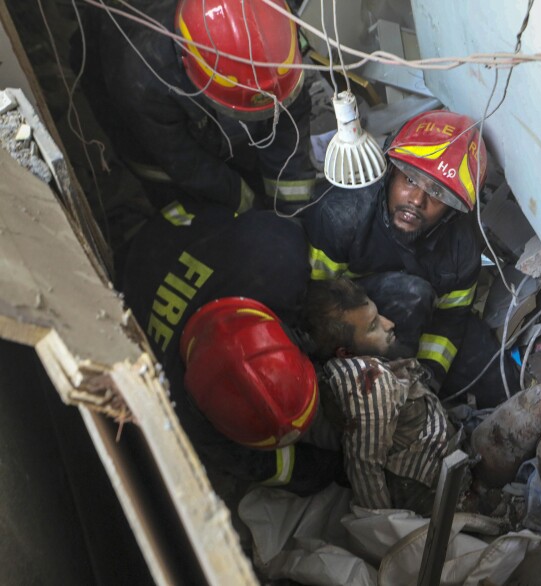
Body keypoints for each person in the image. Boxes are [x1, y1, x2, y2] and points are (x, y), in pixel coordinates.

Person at [303, 278, 541, 585]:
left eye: (378, 315)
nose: (389, 324)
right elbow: (365, 466)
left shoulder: (368, 364)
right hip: (452, 500)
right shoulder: (367, 387)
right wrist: (394, 531)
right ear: (344, 353)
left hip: (460, 455)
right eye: (373, 326)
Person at [122, 198, 341, 497]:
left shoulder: (278, 253)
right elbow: (253, 463)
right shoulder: (182, 409)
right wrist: (330, 469)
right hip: (148, 244)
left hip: (173, 232)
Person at [303, 110, 516, 408]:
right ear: (390, 172)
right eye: (410, 179)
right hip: (355, 324)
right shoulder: (341, 216)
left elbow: (449, 322)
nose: (416, 200)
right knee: (412, 294)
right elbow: (317, 302)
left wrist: (427, 379)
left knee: (500, 379)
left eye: (437, 191)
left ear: (452, 207)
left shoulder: (462, 249)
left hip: (418, 321)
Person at [86, 0, 315, 213]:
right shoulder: (142, 78)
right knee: (183, 200)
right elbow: (183, 160)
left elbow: (290, 114)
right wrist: (247, 204)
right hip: (140, 115)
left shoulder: (275, 21)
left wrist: (293, 207)